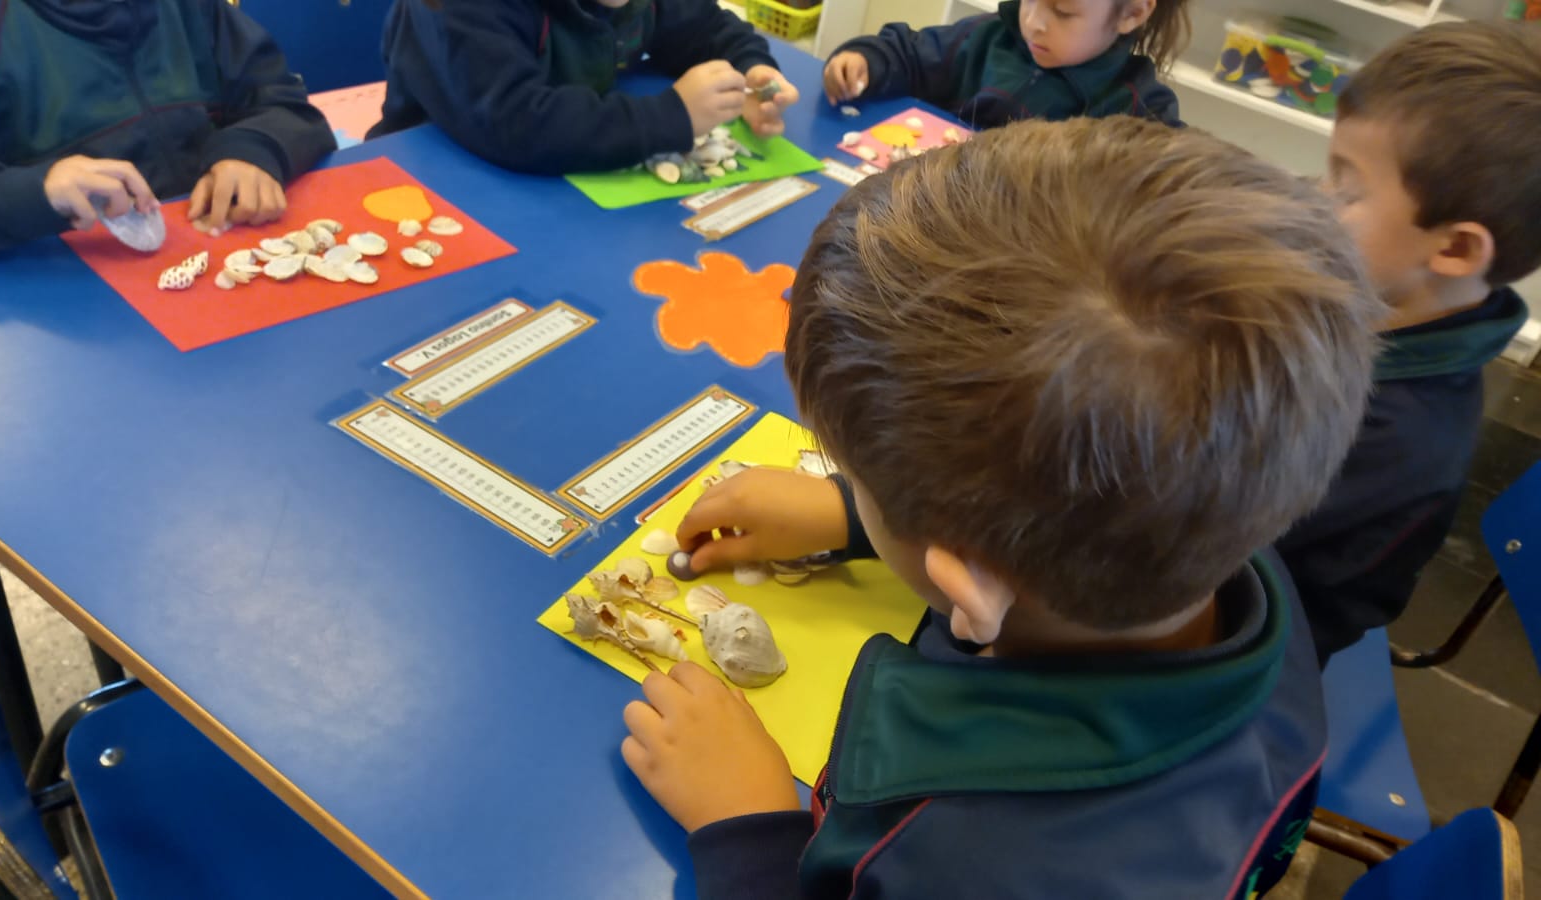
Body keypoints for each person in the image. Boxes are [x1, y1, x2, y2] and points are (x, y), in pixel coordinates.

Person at [617, 117, 1385, 898]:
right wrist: (858, 518)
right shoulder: (1226, 528)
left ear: (969, 587)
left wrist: (747, 830)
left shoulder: (962, 862)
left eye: (856, 476)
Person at [1278, 22, 1539, 666]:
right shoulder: (1367, 297)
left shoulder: (1393, 437)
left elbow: (1197, 550)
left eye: (1348, 189)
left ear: (1455, 248)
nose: (1320, 201)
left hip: (1253, 643)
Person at [0, 0, 336, 266]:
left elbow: (283, 101)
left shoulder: (190, 9)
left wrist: (253, 149)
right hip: (59, 308)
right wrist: (35, 192)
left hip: (222, 267)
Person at [369, 0, 799, 175]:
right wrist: (672, 116)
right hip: (436, 178)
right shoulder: (458, 8)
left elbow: (704, 27)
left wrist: (752, 69)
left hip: (562, 186)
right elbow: (516, 123)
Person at [822, 0, 1185, 129]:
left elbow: (1174, 182)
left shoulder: (1137, 109)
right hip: (926, 205)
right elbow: (910, 55)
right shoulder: (988, 36)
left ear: (1132, 13)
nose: (1033, 22)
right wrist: (866, 60)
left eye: (1063, 11)